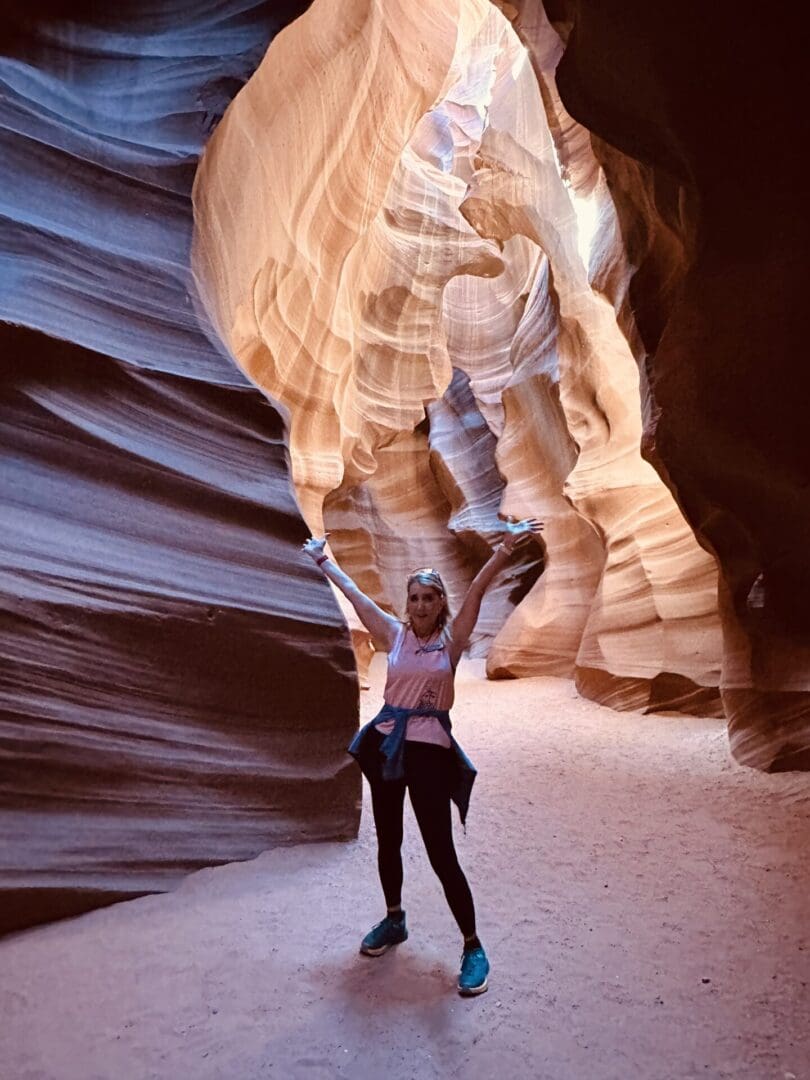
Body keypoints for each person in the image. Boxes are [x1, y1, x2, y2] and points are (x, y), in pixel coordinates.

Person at [302, 517, 543, 996]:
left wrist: (503, 551)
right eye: (413, 597)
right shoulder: (394, 635)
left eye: (428, 598)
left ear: (440, 603)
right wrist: (323, 560)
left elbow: (476, 591)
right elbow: (356, 595)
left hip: (430, 754)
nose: (419, 605)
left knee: (440, 853)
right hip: (389, 746)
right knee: (388, 841)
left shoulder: (450, 644)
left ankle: (473, 945)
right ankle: (395, 920)